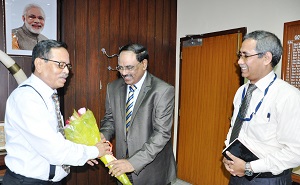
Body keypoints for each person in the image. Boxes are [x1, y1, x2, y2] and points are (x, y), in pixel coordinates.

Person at [3, 40, 112, 184]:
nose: (67, 71)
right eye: (60, 65)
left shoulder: (49, 95)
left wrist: (84, 151)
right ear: (39, 64)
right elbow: (54, 149)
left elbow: (58, 138)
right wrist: (94, 151)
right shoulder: (27, 98)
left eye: (68, 66)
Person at [222, 30, 300, 185]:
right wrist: (228, 152)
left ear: (266, 58)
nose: (239, 61)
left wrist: (249, 167)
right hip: (238, 175)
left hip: (267, 179)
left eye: (245, 55)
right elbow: (236, 128)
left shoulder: (288, 96)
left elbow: (296, 152)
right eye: (240, 55)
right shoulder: (242, 91)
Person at [99, 43, 177, 184]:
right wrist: (102, 136)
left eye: (129, 67)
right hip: (121, 163)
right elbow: (110, 120)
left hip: (151, 169)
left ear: (144, 64)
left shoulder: (162, 90)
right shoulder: (113, 88)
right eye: (120, 67)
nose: (123, 73)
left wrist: (133, 163)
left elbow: (162, 133)